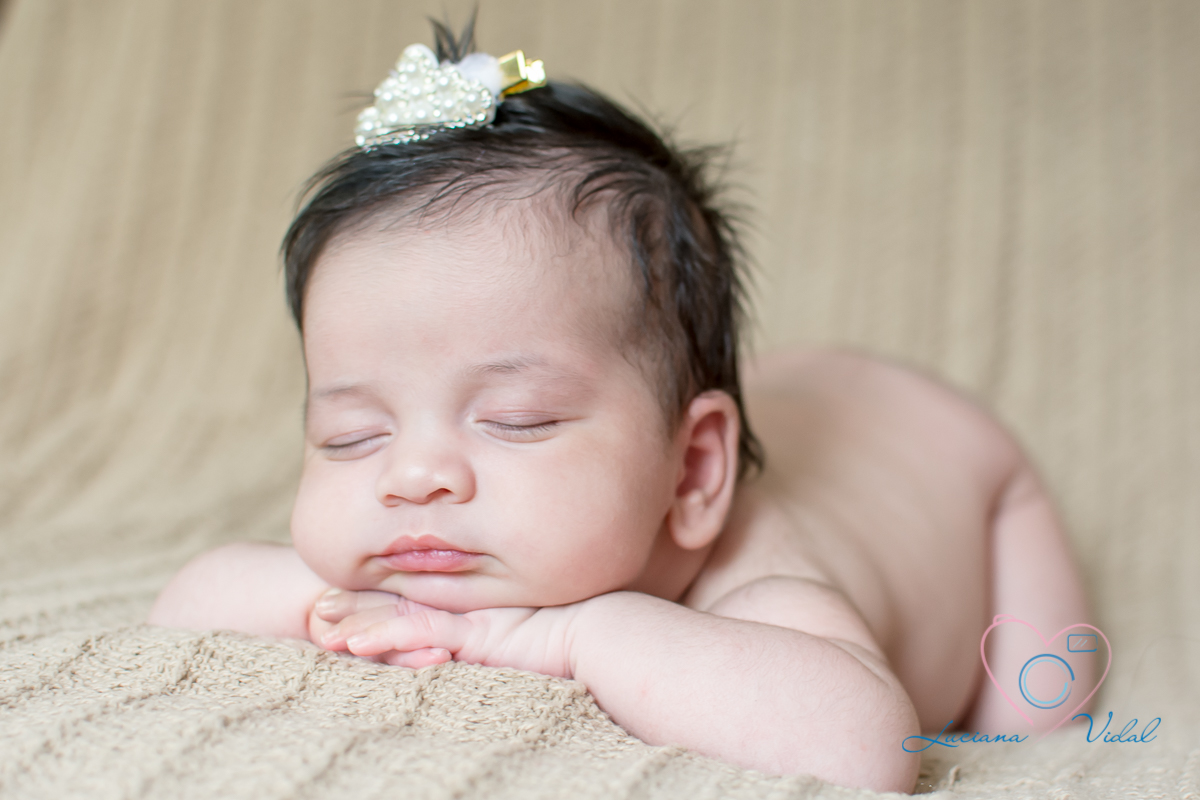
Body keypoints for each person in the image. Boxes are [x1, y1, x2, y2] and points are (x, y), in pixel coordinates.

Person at [148, 22, 1092, 793]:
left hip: (959, 464)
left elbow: (864, 746)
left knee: (1030, 714)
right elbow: (194, 597)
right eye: (351, 435)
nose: (412, 475)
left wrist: (560, 634)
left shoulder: (761, 586)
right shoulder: (427, 538)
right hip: (785, 388)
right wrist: (328, 600)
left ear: (692, 471)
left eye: (514, 419)